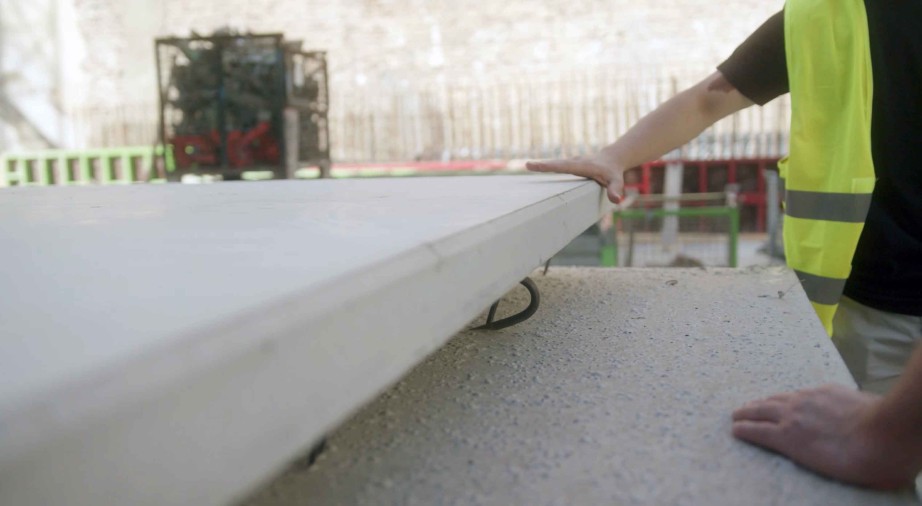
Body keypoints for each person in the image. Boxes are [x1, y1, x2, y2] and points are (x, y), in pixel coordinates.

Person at [527, 0, 922, 489]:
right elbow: (708, 100)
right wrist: (614, 156)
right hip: (868, 314)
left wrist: (884, 440)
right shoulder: (824, 15)